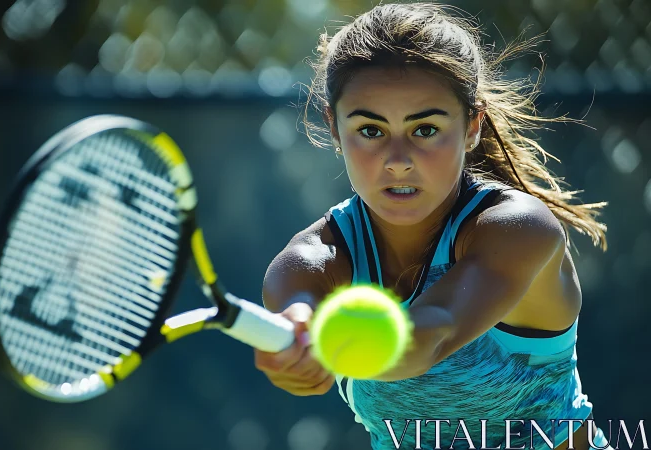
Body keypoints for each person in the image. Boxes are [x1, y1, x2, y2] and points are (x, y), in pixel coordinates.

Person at [253, 3, 612, 450]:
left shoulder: (519, 230)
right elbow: (297, 307)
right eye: (370, 130)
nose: (398, 160)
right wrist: (296, 333)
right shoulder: (305, 264)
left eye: (425, 129)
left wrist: (328, 345)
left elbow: (435, 329)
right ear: (334, 126)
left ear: (472, 126)